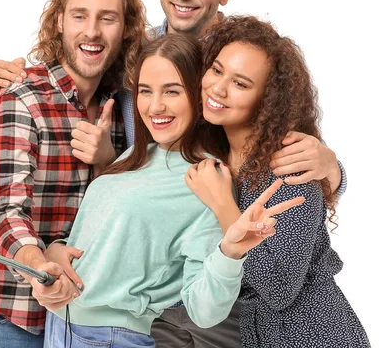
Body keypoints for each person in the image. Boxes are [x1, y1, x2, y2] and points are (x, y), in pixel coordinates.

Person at [0, 0, 348, 348]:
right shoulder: (134, 54)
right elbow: (82, 61)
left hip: (250, 312)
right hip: (154, 310)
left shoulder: (242, 60)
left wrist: (334, 171)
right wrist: (11, 77)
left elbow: (289, 178)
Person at [42, 34, 305, 348]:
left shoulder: (206, 177)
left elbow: (204, 310)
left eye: (172, 91)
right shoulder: (138, 154)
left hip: (109, 338)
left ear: (198, 95)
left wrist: (230, 253)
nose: (155, 106)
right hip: (59, 325)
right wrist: (57, 250)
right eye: (145, 91)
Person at [0, 0, 149, 348]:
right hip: (2, 315)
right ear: (59, 22)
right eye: (80, 16)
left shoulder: (122, 107)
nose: (91, 31)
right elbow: (5, 211)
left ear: (125, 30)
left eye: (107, 18)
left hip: (76, 322)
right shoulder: (20, 96)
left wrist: (107, 160)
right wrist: (40, 268)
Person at [185, 15, 370, 347]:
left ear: (267, 100)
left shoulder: (290, 167)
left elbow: (279, 288)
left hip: (313, 334)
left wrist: (224, 205)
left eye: (240, 83)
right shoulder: (219, 156)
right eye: (216, 69)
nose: (218, 87)